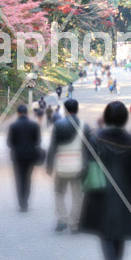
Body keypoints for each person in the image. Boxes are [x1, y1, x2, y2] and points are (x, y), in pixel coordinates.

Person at [79, 101, 131, 260]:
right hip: (124, 189)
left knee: (105, 231)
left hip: (101, 188)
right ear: (124, 118)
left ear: (106, 117)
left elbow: (88, 163)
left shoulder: (95, 137)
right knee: (120, 230)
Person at [47, 98, 89, 233]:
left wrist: (49, 165)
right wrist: (86, 165)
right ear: (77, 109)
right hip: (78, 166)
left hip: (61, 166)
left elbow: (53, 147)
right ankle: (74, 223)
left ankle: (62, 219)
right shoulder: (84, 125)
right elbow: (89, 149)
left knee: (59, 192)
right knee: (78, 195)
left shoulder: (58, 125)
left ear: (65, 110)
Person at [6, 104, 42, 212]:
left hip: (17, 156)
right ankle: (26, 200)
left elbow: (9, 143)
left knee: (19, 179)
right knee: (28, 178)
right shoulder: (34, 125)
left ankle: (22, 204)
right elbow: (38, 141)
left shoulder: (13, 126)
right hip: (31, 155)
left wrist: (17, 147)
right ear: (27, 112)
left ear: (18, 113)